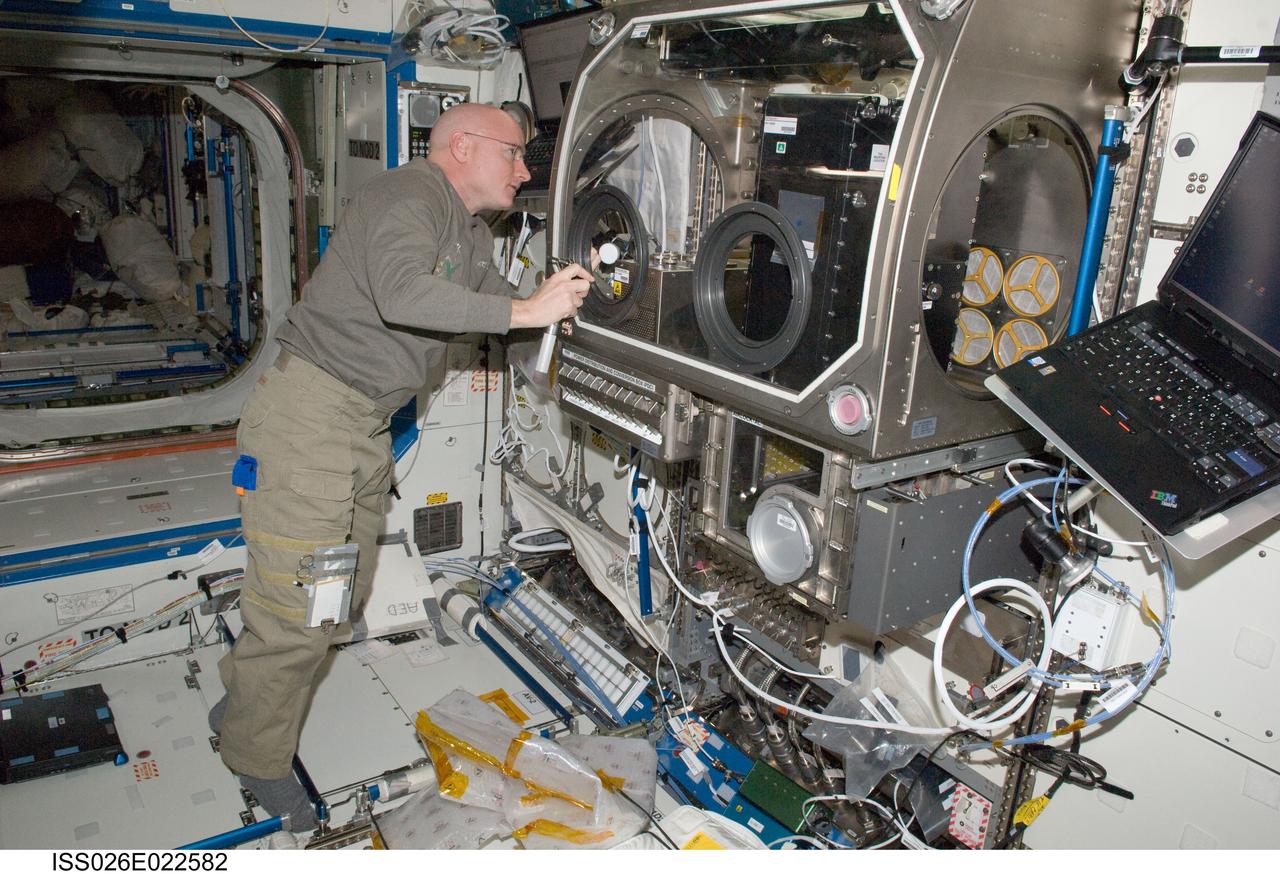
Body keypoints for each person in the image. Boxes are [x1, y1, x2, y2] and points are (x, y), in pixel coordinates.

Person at [208, 103, 592, 830]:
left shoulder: (472, 233)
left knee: (336, 601)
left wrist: (574, 331)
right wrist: (527, 313)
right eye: (514, 154)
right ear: (463, 144)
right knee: (300, 610)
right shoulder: (407, 194)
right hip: (307, 421)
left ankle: (244, 700)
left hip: (359, 428)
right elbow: (403, 293)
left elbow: (497, 314)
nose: (524, 170)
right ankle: (253, 755)